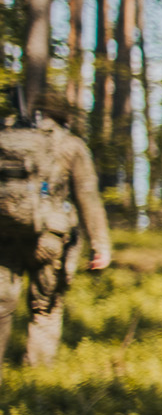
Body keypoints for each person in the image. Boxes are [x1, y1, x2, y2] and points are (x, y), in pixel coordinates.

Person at [0, 91, 111, 376]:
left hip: (5, 234)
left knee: (1, 305)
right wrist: (100, 245)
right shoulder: (70, 145)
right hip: (49, 238)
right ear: (65, 116)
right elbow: (87, 196)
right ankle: (37, 377)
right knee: (45, 308)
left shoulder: (7, 138)